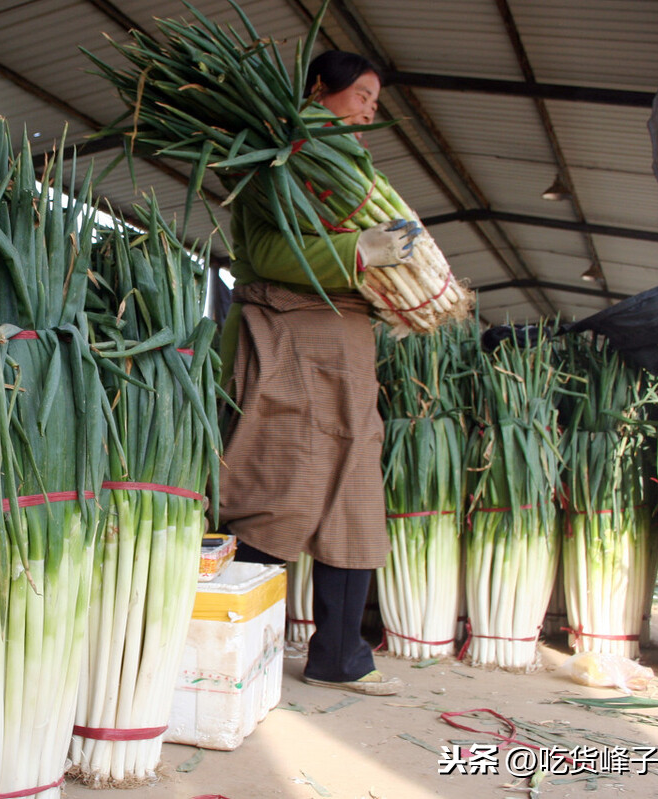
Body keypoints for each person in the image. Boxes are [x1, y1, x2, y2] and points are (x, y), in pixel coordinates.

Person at [218, 50, 419, 696]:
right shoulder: (278, 152)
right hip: (289, 337)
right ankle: (235, 642)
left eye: (374, 100)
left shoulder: (350, 168)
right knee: (280, 478)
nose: (369, 107)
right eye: (361, 93)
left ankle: (341, 654)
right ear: (318, 89)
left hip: (347, 347)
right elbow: (270, 252)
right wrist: (359, 249)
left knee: (355, 488)